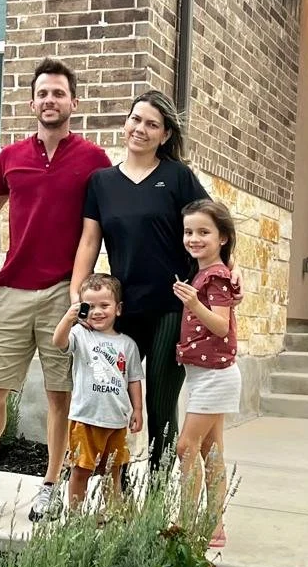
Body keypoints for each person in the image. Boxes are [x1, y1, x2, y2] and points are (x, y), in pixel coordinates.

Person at [0, 58, 111, 520]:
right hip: (11, 291)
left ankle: (50, 484)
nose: (51, 100)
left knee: (59, 395)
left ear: (74, 102)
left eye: (59, 93)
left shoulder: (94, 160)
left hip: (63, 297)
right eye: (43, 93)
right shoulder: (11, 157)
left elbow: (105, 227)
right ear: (32, 102)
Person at [70, 91, 218, 470]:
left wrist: (218, 279)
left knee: (159, 407)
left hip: (171, 309)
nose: (141, 128)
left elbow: (213, 226)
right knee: (113, 399)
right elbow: (89, 240)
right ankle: (115, 496)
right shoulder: (101, 182)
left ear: (165, 134)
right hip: (124, 312)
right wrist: (77, 295)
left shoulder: (177, 177)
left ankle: (157, 499)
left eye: (152, 124)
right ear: (126, 123)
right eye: (136, 119)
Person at [173, 198, 241, 549]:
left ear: (223, 238)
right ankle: (215, 524)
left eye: (204, 232)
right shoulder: (206, 272)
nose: (194, 238)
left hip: (216, 374)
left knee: (186, 446)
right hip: (204, 373)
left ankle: (186, 521)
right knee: (211, 451)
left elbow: (220, 326)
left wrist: (193, 303)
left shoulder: (216, 277)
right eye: (189, 231)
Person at [46, 273, 143, 519]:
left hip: (116, 421)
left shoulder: (127, 345)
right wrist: (69, 319)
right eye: (90, 306)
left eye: (105, 305)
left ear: (118, 309)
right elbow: (58, 342)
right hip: (86, 418)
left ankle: (111, 511)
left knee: (114, 471)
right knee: (81, 469)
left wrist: (138, 410)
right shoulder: (81, 335)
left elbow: (133, 379)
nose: (97, 311)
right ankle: (76, 515)